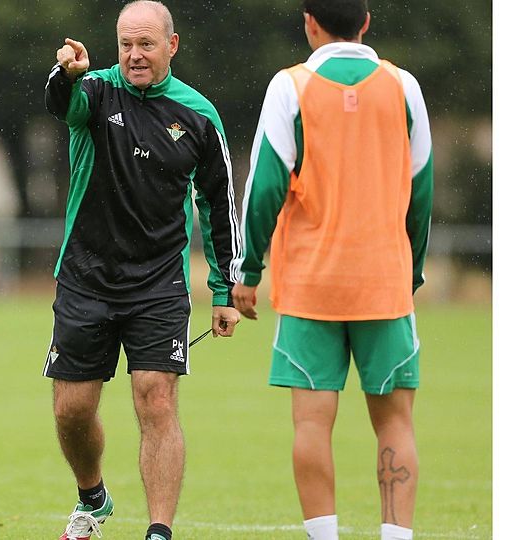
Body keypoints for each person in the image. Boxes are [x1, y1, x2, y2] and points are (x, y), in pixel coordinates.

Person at [231, 0, 433, 539]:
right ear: (366, 22)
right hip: (383, 286)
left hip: (311, 287)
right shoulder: (403, 86)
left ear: (309, 23)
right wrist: (408, 271)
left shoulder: (289, 87)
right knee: (394, 420)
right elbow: (422, 189)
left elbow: (265, 186)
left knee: (312, 423)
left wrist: (247, 271)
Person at [43, 2, 242, 539]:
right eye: (126, 44)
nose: (134, 55)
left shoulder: (199, 115)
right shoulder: (93, 90)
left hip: (159, 282)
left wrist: (224, 288)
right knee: (72, 409)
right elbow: (60, 103)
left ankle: (158, 532)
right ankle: (92, 495)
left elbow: (219, 204)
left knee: (156, 394)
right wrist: (66, 73)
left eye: (146, 45)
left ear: (171, 47)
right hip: (86, 275)